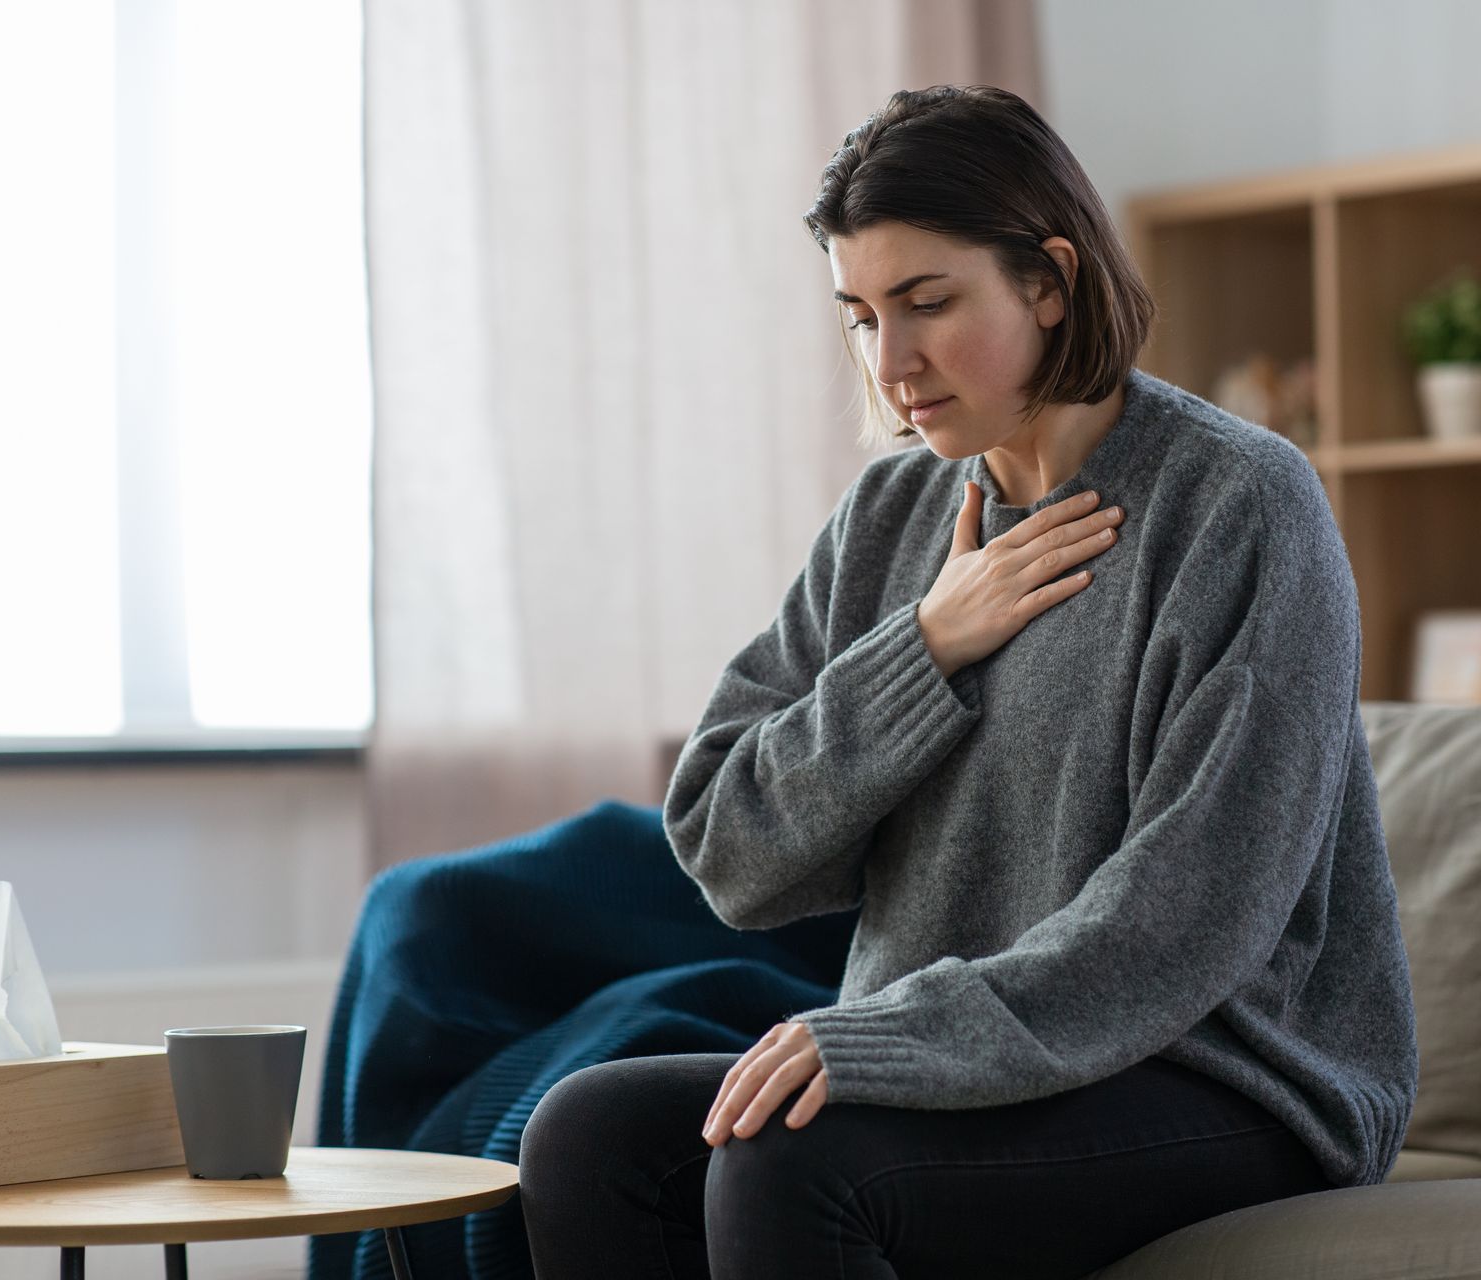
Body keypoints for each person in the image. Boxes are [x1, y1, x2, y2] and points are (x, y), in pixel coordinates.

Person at [518, 84, 1418, 1279]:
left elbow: (1185, 915)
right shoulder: (892, 518)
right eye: (860, 315)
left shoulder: (1241, 504)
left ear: (1048, 281)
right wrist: (924, 647)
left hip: (1225, 1078)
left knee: (791, 1161)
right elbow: (727, 845)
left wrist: (888, 1040)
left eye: (927, 302)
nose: (892, 361)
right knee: (588, 1134)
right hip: (962, 1067)